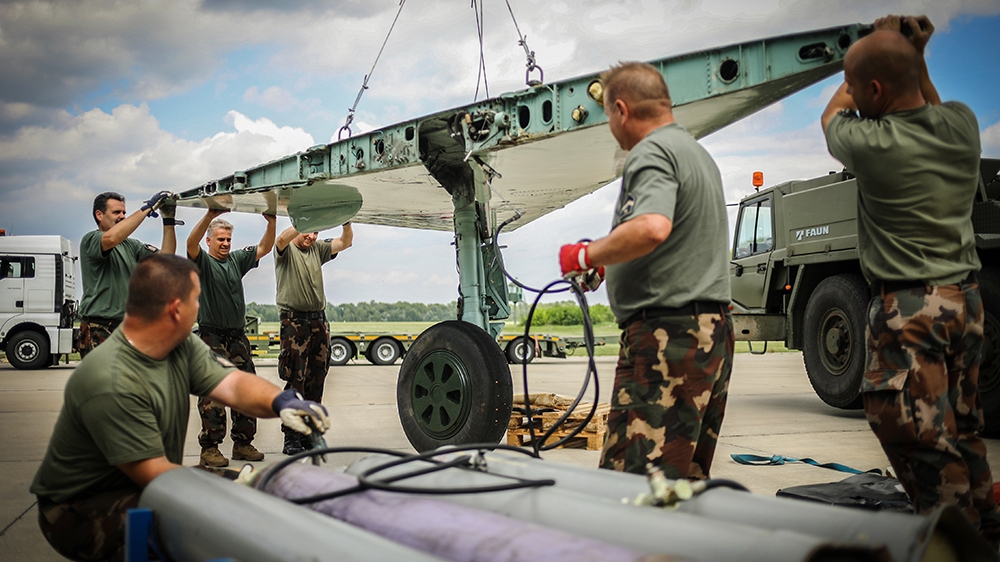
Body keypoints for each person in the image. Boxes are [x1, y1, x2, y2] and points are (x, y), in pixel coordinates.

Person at [822, 15, 1000, 542]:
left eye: (859, 86)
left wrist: (861, 58)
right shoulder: (962, 125)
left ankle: (951, 541)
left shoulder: (872, 144)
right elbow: (928, 105)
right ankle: (985, 533)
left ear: (873, 90)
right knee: (962, 430)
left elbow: (832, 113)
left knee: (917, 436)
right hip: (965, 303)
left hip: (911, 309)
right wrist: (912, 52)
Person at [30, 254, 330, 562]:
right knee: (219, 527)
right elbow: (156, 475)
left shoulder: (178, 344)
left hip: (144, 479)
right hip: (82, 508)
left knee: (245, 499)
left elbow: (233, 384)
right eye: (196, 300)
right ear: (176, 309)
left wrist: (280, 401)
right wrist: (245, 484)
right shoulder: (111, 379)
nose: (199, 307)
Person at [559, 62, 733, 479]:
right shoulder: (695, 153)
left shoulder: (651, 151)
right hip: (706, 333)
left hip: (668, 337)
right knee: (681, 483)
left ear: (621, 110)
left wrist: (584, 256)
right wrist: (611, 261)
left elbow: (653, 227)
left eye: (608, 116)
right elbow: (676, 242)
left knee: (637, 484)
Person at [186, 209, 276, 467]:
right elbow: (190, 244)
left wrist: (271, 223)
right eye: (220, 239)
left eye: (228, 239)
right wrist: (209, 215)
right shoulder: (203, 262)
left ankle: (243, 443)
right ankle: (210, 448)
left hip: (237, 337)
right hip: (211, 336)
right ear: (209, 241)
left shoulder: (236, 260)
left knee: (246, 389)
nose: (225, 244)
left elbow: (264, 248)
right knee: (214, 391)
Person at [274, 222, 353, 454]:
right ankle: (291, 436)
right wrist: (302, 221)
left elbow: (345, 242)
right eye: (308, 231)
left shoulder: (317, 249)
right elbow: (280, 240)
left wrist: (346, 223)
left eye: (316, 232)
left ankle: (309, 433)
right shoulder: (287, 250)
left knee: (316, 380)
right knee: (295, 379)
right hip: (295, 323)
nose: (311, 237)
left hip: (319, 322)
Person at [78, 190, 178, 356]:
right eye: (116, 212)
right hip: (99, 326)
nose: (122, 216)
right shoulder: (91, 239)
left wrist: (168, 221)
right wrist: (148, 208)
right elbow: (111, 238)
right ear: (99, 215)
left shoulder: (131, 245)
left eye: (124, 212)